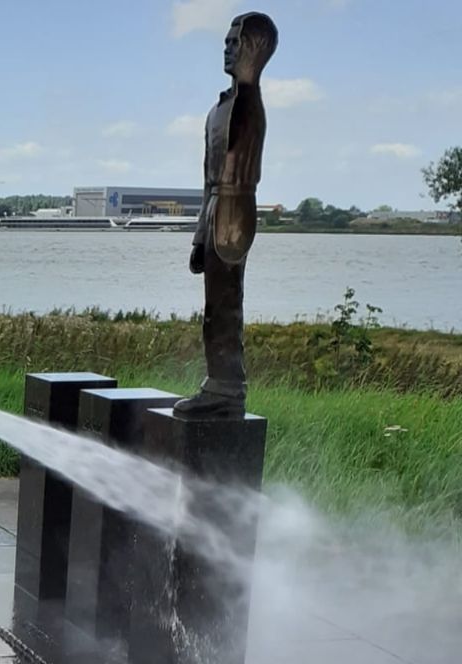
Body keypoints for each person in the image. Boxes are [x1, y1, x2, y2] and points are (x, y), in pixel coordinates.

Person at [174, 12, 277, 419]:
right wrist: (200, 235)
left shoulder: (248, 104)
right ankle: (219, 384)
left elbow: (238, 177)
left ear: (252, 49)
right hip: (217, 207)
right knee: (214, 306)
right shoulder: (218, 109)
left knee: (225, 305)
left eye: (236, 42)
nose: (227, 49)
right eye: (226, 42)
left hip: (236, 209)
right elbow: (208, 178)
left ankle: (227, 388)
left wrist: (223, 225)